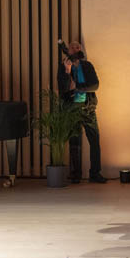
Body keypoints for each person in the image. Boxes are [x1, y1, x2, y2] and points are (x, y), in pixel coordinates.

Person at [56, 38, 105, 183]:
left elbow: (95, 85)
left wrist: (78, 87)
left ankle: (95, 174)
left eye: (77, 47)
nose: (75, 49)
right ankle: (76, 174)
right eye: (72, 47)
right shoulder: (63, 67)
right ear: (68, 50)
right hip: (72, 109)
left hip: (88, 108)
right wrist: (67, 71)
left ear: (80, 50)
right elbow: (63, 88)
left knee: (94, 141)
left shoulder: (87, 65)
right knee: (74, 143)